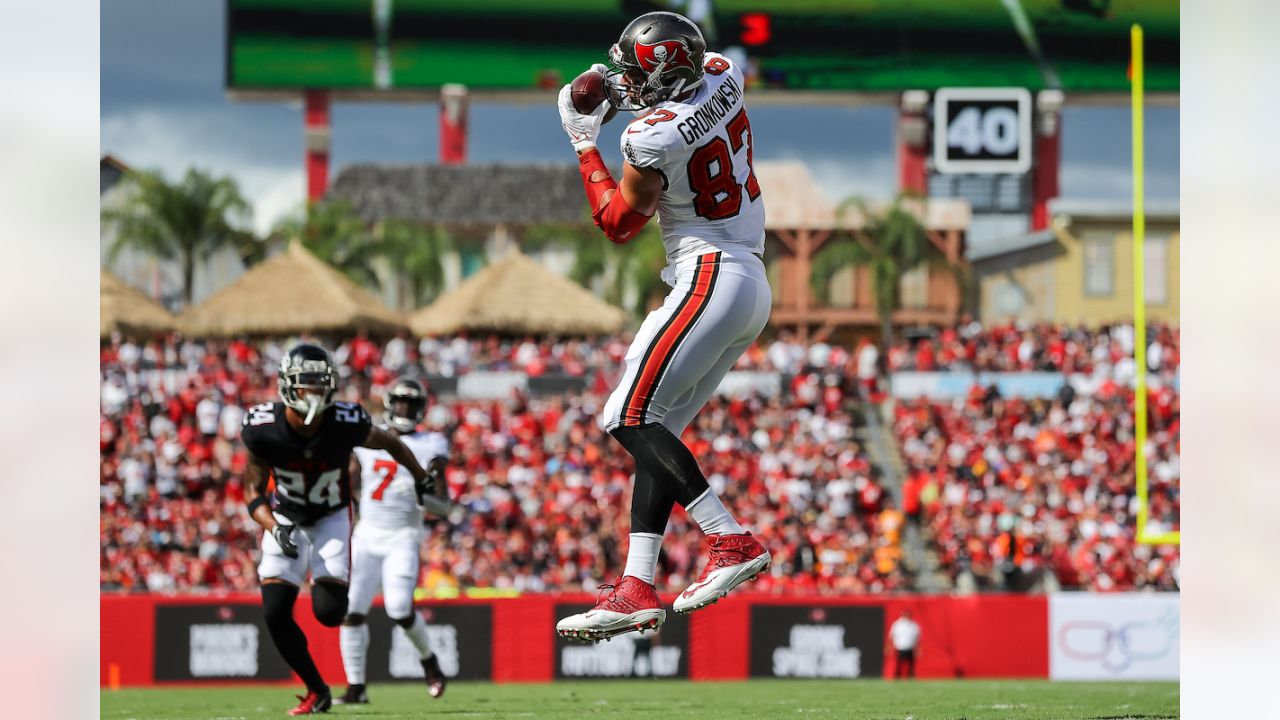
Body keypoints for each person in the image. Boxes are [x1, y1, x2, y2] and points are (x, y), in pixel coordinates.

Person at [554, 10, 771, 642]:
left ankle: (728, 538)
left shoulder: (649, 141)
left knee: (624, 416)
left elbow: (619, 223)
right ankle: (637, 584)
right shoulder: (724, 73)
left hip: (708, 272)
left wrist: (581, 138)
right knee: (659, 429)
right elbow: (661, 89)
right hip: (746, 281)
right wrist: (606, 83)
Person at [239, 343, 439, 715]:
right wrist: (272, 526)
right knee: (274, 611)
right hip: (286, 515)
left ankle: (326, 591)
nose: (313, 391)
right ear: (287, 386)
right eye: (306, 383)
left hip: (331, 515)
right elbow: (252, 490)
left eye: (320, 383)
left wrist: (420, 475)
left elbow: (390, 441)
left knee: (330, 613)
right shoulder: (263, 427)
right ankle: (317, 690)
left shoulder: (345, 421)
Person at [336, 379, 450, 705]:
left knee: (399, 608)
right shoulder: (366, 437)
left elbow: (443, 505)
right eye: (399, 402)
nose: (404, 409)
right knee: (352, 610)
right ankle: (356, 687)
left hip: (403, 535)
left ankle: (428, 660)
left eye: (410, 404)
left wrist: (421, 496)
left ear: (421, 409)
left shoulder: (432, 443)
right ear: (389, 403)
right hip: (367, 535)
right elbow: (348, 483)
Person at [889, 609, 921, 679]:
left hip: (910, 647)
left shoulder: (913, 625)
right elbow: (891, 636)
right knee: (899, 663)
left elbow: (917, 638)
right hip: (899, 647)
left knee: (911, 664)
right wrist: (890, 647)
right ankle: (897, 676)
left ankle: (910, 676)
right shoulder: (897, 624)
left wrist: (917, 649)